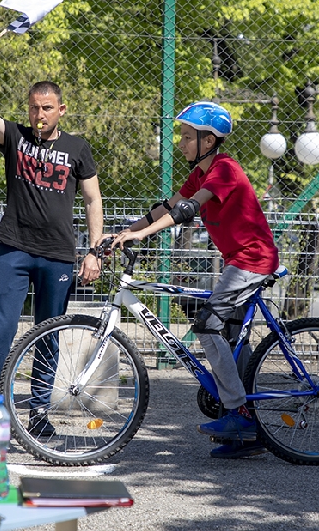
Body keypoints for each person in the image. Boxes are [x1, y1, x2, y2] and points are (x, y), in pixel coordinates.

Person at [111, 101, 278, 459]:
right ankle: (246, 436)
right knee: (231, 334)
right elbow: (169, 206)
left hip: (253, 260)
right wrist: (125, 232)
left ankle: (239, 414)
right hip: (238, 261)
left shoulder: (225, 169)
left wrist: (145, 236)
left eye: (188, 137)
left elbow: (189, 209)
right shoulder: (200, 172)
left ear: (208, 140)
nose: (181, 143)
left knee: (206, 325)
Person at [0, 34, 103, 438]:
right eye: (33, 108)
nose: (39, 114)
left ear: (61, 109)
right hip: (15, 248)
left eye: (46, 108)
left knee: (48, 338)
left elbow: (93, 200)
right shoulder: (16, 137)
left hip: (58, 256)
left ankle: (39, 415)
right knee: (0, 334)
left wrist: (94, 251)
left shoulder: (78, 148)